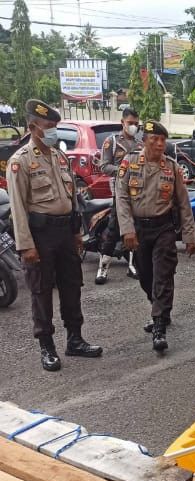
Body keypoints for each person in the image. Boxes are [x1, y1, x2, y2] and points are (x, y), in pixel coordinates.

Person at [6, 99, 102, 371]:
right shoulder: (20, 162)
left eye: (55, 126)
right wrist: (26, 246)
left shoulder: (59, 157)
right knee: (41, 290)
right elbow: (18, 207)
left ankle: (75, 339)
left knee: (72, 286)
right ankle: (46, 346)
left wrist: (76, 232)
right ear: (32, 127)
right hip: (40, 235)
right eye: (49, 126)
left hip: (64, 232)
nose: (53, 131)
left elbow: (71, 200)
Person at [116, 120, 195, 352]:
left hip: (163, 229)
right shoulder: (129, 164)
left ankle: (159, 326)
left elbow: (183, 203)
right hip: (139, 229)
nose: (160, 144)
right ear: (144, 141)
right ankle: (159, 308)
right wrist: (127, 229)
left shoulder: (171, 167)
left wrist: (190, 236)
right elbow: (121, 198)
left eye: (163, 140)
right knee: (145, 276)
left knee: (162, 275)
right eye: (155, 139)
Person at [95, 108, 143, 284]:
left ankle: (133, 265)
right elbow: (104, 166)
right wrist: (124, 171)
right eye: (130, 123)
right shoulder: (112, 142)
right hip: (120, 194)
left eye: (136, 124)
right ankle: (103, 269)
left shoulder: (140, 145)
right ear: (122, 122)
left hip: (138, 195)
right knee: (114, 230)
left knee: (136, 229)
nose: (133, 127)